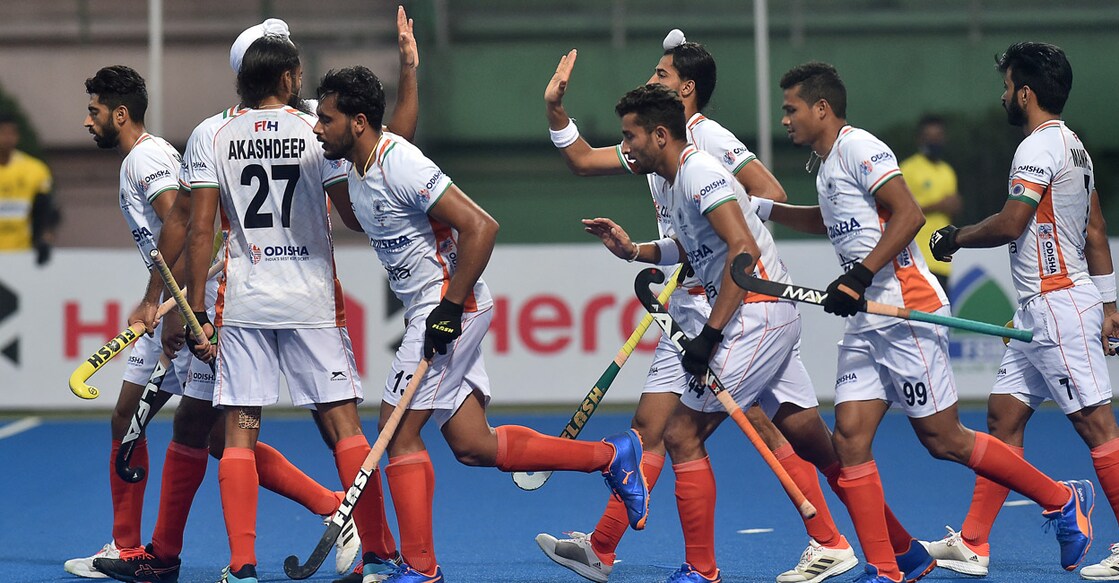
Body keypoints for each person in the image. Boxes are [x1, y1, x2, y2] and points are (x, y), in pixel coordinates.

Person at [535, 32, 862, 583]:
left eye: (661, 74)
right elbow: (584, 160)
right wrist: (555, 112)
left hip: (735, 309)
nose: (651, 78)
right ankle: (605, 547)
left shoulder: (704, 148)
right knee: (669, 426)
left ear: (685, 91)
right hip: (710, 306)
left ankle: (809, 546)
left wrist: (720, 241)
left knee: (702, 431)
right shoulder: (657, 152)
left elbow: (759, 214)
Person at [312, 65, 649, 583]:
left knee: (397, 432)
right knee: (473, 445)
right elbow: (364, 207)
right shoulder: (356, 170)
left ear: (358, 123)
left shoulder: (400, 161)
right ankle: (610, 456)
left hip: (448, 307)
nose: (317, 128)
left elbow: (482, 226)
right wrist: (408, 70)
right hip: (433, 306)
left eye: (326, 119)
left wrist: (449, 307)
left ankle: (420, 569)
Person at [765, 60, 1095, 583]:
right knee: (849, 439)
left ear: (821, 108)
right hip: (867, 319)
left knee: (944, 440)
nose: (784, 120)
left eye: (791, 109)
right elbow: (824, 220)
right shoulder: (826, 166)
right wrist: (760, 209)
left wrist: (858, 276)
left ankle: (1060, 499)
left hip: (907, 310)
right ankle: (888, 567)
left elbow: (910, 214)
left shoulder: (859, 147)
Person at [67, 64, 359, 583]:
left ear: (120, 113)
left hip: (195, 305)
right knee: (179, 429)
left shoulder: (147, 159)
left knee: (208, 435)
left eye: (93, 111)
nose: (87, 121)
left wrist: (176, 306)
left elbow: (183, 225)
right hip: (184, 303)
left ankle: (147, 550)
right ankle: (139, 546)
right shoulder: (152, 154)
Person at [923, 41, 1119, 581]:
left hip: (1058, 306)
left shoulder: (1036, 148)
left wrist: (954, 237)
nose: (1003, 95)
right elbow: (1096, 229)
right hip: (1044, 308)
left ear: (1026, 93)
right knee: (1003, 416)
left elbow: (1012, 222)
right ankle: (974, 543)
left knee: (1096, 424)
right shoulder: (1075, 148)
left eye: (1007, 86)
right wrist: (1109, 305)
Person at [899, 115, 961, 292]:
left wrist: (955, 206)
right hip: (918, 257)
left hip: (942, 259)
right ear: (920, 139)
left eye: (938, 136)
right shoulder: (908, 169)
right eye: (929, 137)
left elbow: (951, 211)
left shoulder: (947, 171)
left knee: (942, 309)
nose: (935, 141)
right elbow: (900, 210)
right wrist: (938, 205)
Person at [0, 111, 59, 265]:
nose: (7, 138)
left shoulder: (35, 170)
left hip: (23, 255)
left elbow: (47, 211)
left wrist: (45, 239)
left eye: (11, 133)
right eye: (3, 133)